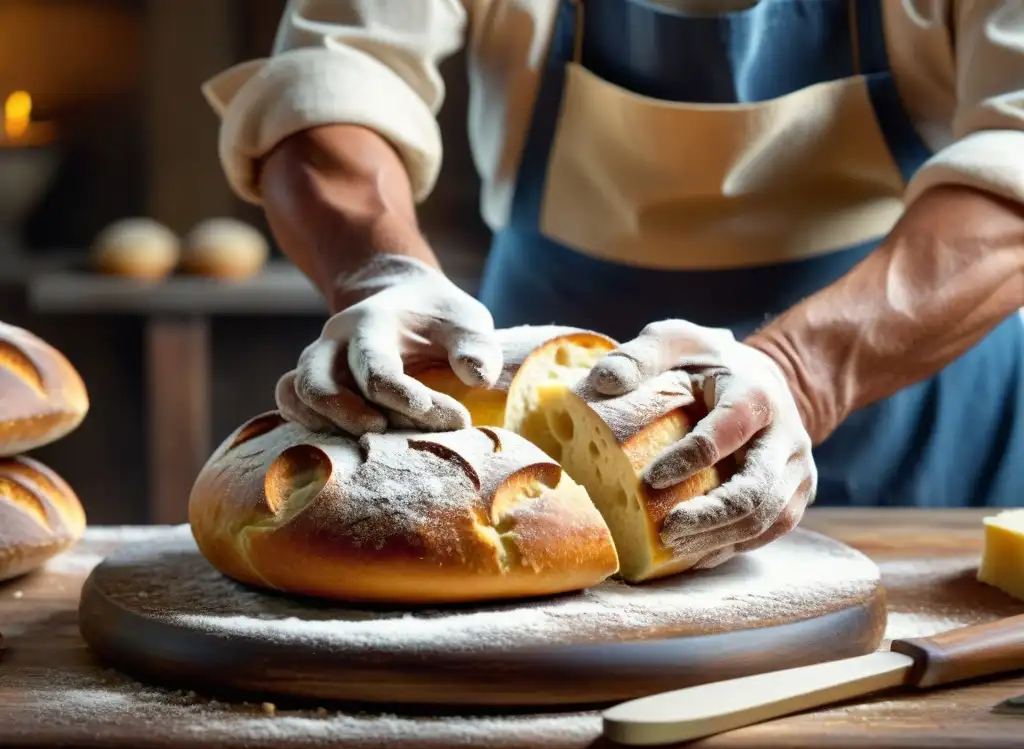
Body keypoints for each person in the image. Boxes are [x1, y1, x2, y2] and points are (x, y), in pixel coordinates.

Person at [202, 0, 1024, 568]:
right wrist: (380, 271)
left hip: (912, 383)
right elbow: (329, 82)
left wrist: (802, 372)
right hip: (544, 409)